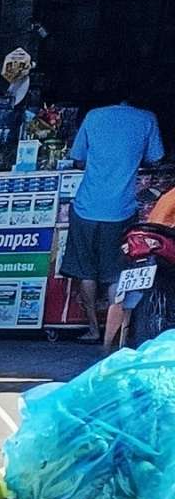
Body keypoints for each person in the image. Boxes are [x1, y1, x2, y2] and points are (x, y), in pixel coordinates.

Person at [60, 95, 165, 346]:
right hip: (120, 209)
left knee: (86, 272)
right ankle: (115, 335)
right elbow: (156, 157)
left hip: (86, 207)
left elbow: (78, 157)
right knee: (115, 274)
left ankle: (94, 330)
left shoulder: (94, 116)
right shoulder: (146, 118)